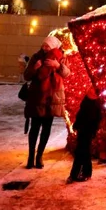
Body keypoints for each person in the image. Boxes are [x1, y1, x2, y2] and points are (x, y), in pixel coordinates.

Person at [24, 35, 70, 169]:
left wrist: (57, 65)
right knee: (34, 128)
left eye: (47, 46)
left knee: (46, 128)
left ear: (54, 46)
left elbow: (67, 73)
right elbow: (26, 76)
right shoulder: (36, 57)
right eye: (44, 45)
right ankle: (31, 156)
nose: (45, 48)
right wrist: (35, 68)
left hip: (52, 98)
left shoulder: (61, 56)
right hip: (37, 97)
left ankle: (39, 156)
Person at [67, 85, 102, 183]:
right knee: (83, 152)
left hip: (87, 131)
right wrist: (76, 125)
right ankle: (84, 173)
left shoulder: (95, 104)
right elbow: (80, 115)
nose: (90, 90)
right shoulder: (86, 100)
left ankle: (76, 174)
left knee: (81, 152)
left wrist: (93, 131)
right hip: (82, 130)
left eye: (93, 90)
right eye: (90, 88)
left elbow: (95, 120)